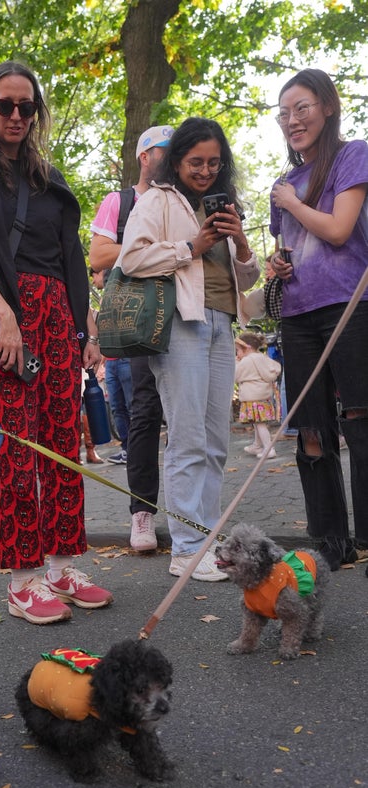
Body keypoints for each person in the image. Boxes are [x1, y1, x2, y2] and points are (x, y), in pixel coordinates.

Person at [0, 60, 112, 624]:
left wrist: (86, 332)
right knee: (16, 447)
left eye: (26, 106)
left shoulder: (49, 179)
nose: (16, 115)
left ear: (36, 112)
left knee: (62, 439)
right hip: (3, 314)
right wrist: (6, 317)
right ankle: (23, 578)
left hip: (58, 315)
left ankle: (62, 565)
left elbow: (71, 263)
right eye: (5, 104)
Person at [119, 117, 260, 580]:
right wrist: (191, 245)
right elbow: (132, 258)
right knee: (188, 439)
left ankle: (205, 538)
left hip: (223, 324)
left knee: (217, 441)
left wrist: (240, 241)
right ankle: (186, 549)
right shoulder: (157, 200)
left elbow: (248, 280)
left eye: (214, 163)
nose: (205, 171)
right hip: (181, 325)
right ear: (176, 159)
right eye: (196, 161)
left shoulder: (224, 203)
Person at [269, 68, 368, 572]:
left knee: (360, 419)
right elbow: (289, 247)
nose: (292, 120)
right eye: (284, 113)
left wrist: (289, 202)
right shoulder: (284, 183)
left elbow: (338, 229)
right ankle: (331, 541)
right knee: (311, 429)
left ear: (327, 106)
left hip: (350, 306)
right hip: (298, 315)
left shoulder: (353, 155)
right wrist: (277, 264)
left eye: (302, 108)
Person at [90, 125, 173, 550]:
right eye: (168, 150)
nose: (176, 157)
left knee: (186, 418)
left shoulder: (184, 196)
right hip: (140, 321)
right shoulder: (120, 201)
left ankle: (189, 515)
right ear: (145, 156)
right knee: (144, 412)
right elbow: (99, 256)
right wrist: (150, 248)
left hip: (187, 318)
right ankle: (142, 513)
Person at [90, 267, 132, 465]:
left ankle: (137, 449)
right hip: (111, 362)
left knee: (132, 406)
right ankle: (126, 450)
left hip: (126, 359)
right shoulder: (104, 301)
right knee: (117, 408)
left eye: (95, 274)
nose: (93, 279)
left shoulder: (123, 296)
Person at [235, 331, 281, 459]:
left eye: (238, 350)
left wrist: (236, 362)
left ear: (247, 347)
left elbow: (235, 375)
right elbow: (276, 367)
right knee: (258, 423)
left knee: (259, 424)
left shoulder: (247, 361)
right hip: (263, 397)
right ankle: (257, 445)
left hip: (253, 398)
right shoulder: (262, 357)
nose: (237, 354)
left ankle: (268, 448)